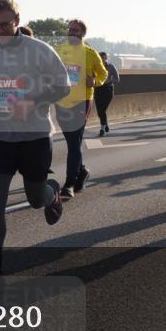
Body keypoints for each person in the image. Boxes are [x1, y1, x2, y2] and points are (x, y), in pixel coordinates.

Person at [0, 0, 68, 275]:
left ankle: (50, 193)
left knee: (35, 198)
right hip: (0, 137)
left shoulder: (40, 50)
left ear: (17, 21)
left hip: (35, 137)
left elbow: (63, 86)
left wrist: (33, 101)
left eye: (4, 25)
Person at [54, 20, 109, 200]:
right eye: (70, 29)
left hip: (82, 101)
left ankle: (69, 183)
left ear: (83, 34)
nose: (71, 32)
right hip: (62, 101)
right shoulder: (60, 50)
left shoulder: (90, 53)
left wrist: (95, 81)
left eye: (75, 30)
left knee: (74, 141)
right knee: (73, 142)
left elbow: (103, 74)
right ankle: (82, 171)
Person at [94, 51, 120, 137]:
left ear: (106, 58)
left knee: (102, 110)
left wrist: (109, 80)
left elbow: (117, 79)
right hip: (98, 89)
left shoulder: (111, 67)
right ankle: (105, 124)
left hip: (108, 89)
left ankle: (102, 129)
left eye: (103, 58)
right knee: (99, 111)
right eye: (100, 58)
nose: (102, 60)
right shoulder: (95, 66)